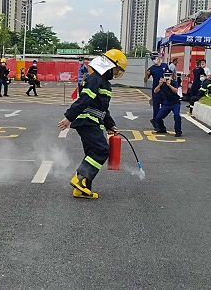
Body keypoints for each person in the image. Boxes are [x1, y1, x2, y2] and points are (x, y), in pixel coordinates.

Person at [57, 49, 128, 199]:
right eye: (116, 69)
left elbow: (103, 108)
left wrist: (110, 125)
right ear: (109, 65)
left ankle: (82, 189)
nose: (116, 73)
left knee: (92, 153)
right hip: (87, 121)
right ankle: (79, 178)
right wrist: (69, 117)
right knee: (101, 151)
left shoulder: (103, 83)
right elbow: (84, 100)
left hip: (93, 122)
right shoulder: (95, 79)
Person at [144, 53, 171, 130]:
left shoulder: (164, 66)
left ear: (158, 58)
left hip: (165, 90)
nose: (154, 60)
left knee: (165, 107)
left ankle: (157, 120)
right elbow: (145, 80)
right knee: (156, 107)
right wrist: (146, 74)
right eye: (152, 59)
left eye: (155, 58)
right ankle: (157, 124)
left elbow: (169, 76)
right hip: (156, 90)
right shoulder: (151, 69)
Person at [153, 73, 183, 137]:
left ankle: (178, 131)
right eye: (165, 76)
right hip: (167, 103)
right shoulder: (162, 84)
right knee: (158, 117)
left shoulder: (174, 82)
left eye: (168, 76)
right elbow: (155, 91)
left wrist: (169, 85)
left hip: (175, 102)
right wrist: (159, 84)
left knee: (177, 115)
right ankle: (162, 128)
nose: (167, 77)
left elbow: (175, 91)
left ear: (171, 77)